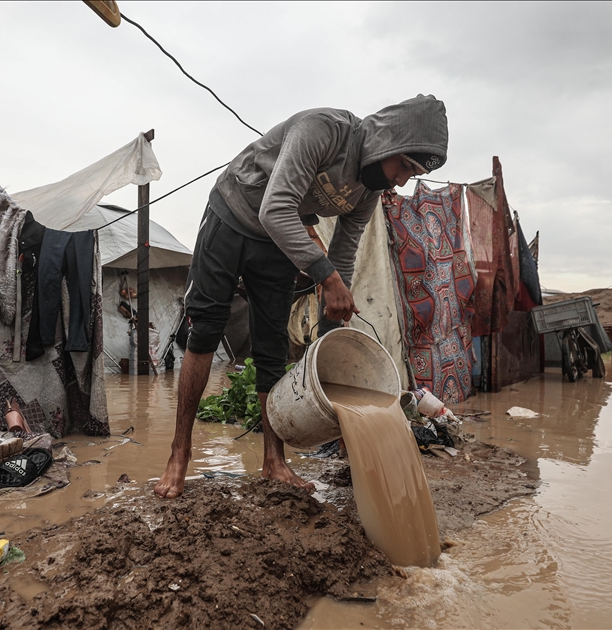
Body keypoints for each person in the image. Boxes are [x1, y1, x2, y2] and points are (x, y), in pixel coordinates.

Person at [154, 95, 449, 499]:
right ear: (388, 143)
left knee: (272, 345)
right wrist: (326, 278)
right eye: (404, 167)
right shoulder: (323, 131)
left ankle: (273, 460)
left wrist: (331, 327)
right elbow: (275, 208)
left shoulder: (367, 190)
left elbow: (344, 251)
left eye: (411, 174)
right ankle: (179, 453)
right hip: (234, 211)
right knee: (205, 329)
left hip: (278, 239)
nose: (401, 180)